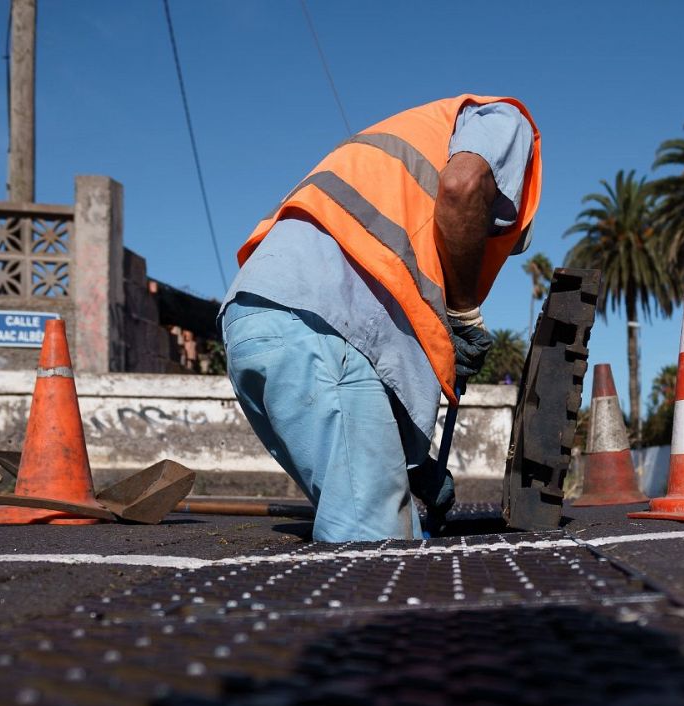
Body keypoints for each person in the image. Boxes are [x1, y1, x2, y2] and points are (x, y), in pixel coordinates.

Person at [220, 94, 542, 541]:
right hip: (319, 327)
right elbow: (464, 186)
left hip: (254, 320)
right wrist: (463, 312)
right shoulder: (501, 119)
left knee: (364, 516)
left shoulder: (411, 151)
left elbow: (363, 361)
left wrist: (411, 464)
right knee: (375, 553)